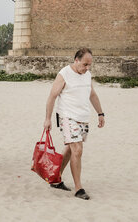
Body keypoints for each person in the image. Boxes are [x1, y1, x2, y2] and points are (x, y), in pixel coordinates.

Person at [43, 47, 105, 200]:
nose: (87, 68)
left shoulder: (87, 75)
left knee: (70, 149)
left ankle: (55, 178)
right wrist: (47, 118)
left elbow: (92, 95)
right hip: (67, 117)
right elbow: (52, 97)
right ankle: (78, 188)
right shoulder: (64, 74)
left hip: (83, 118)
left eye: (89, 65)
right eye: (85, 64)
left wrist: (100, 113)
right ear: (76, 60)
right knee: (77, 149)